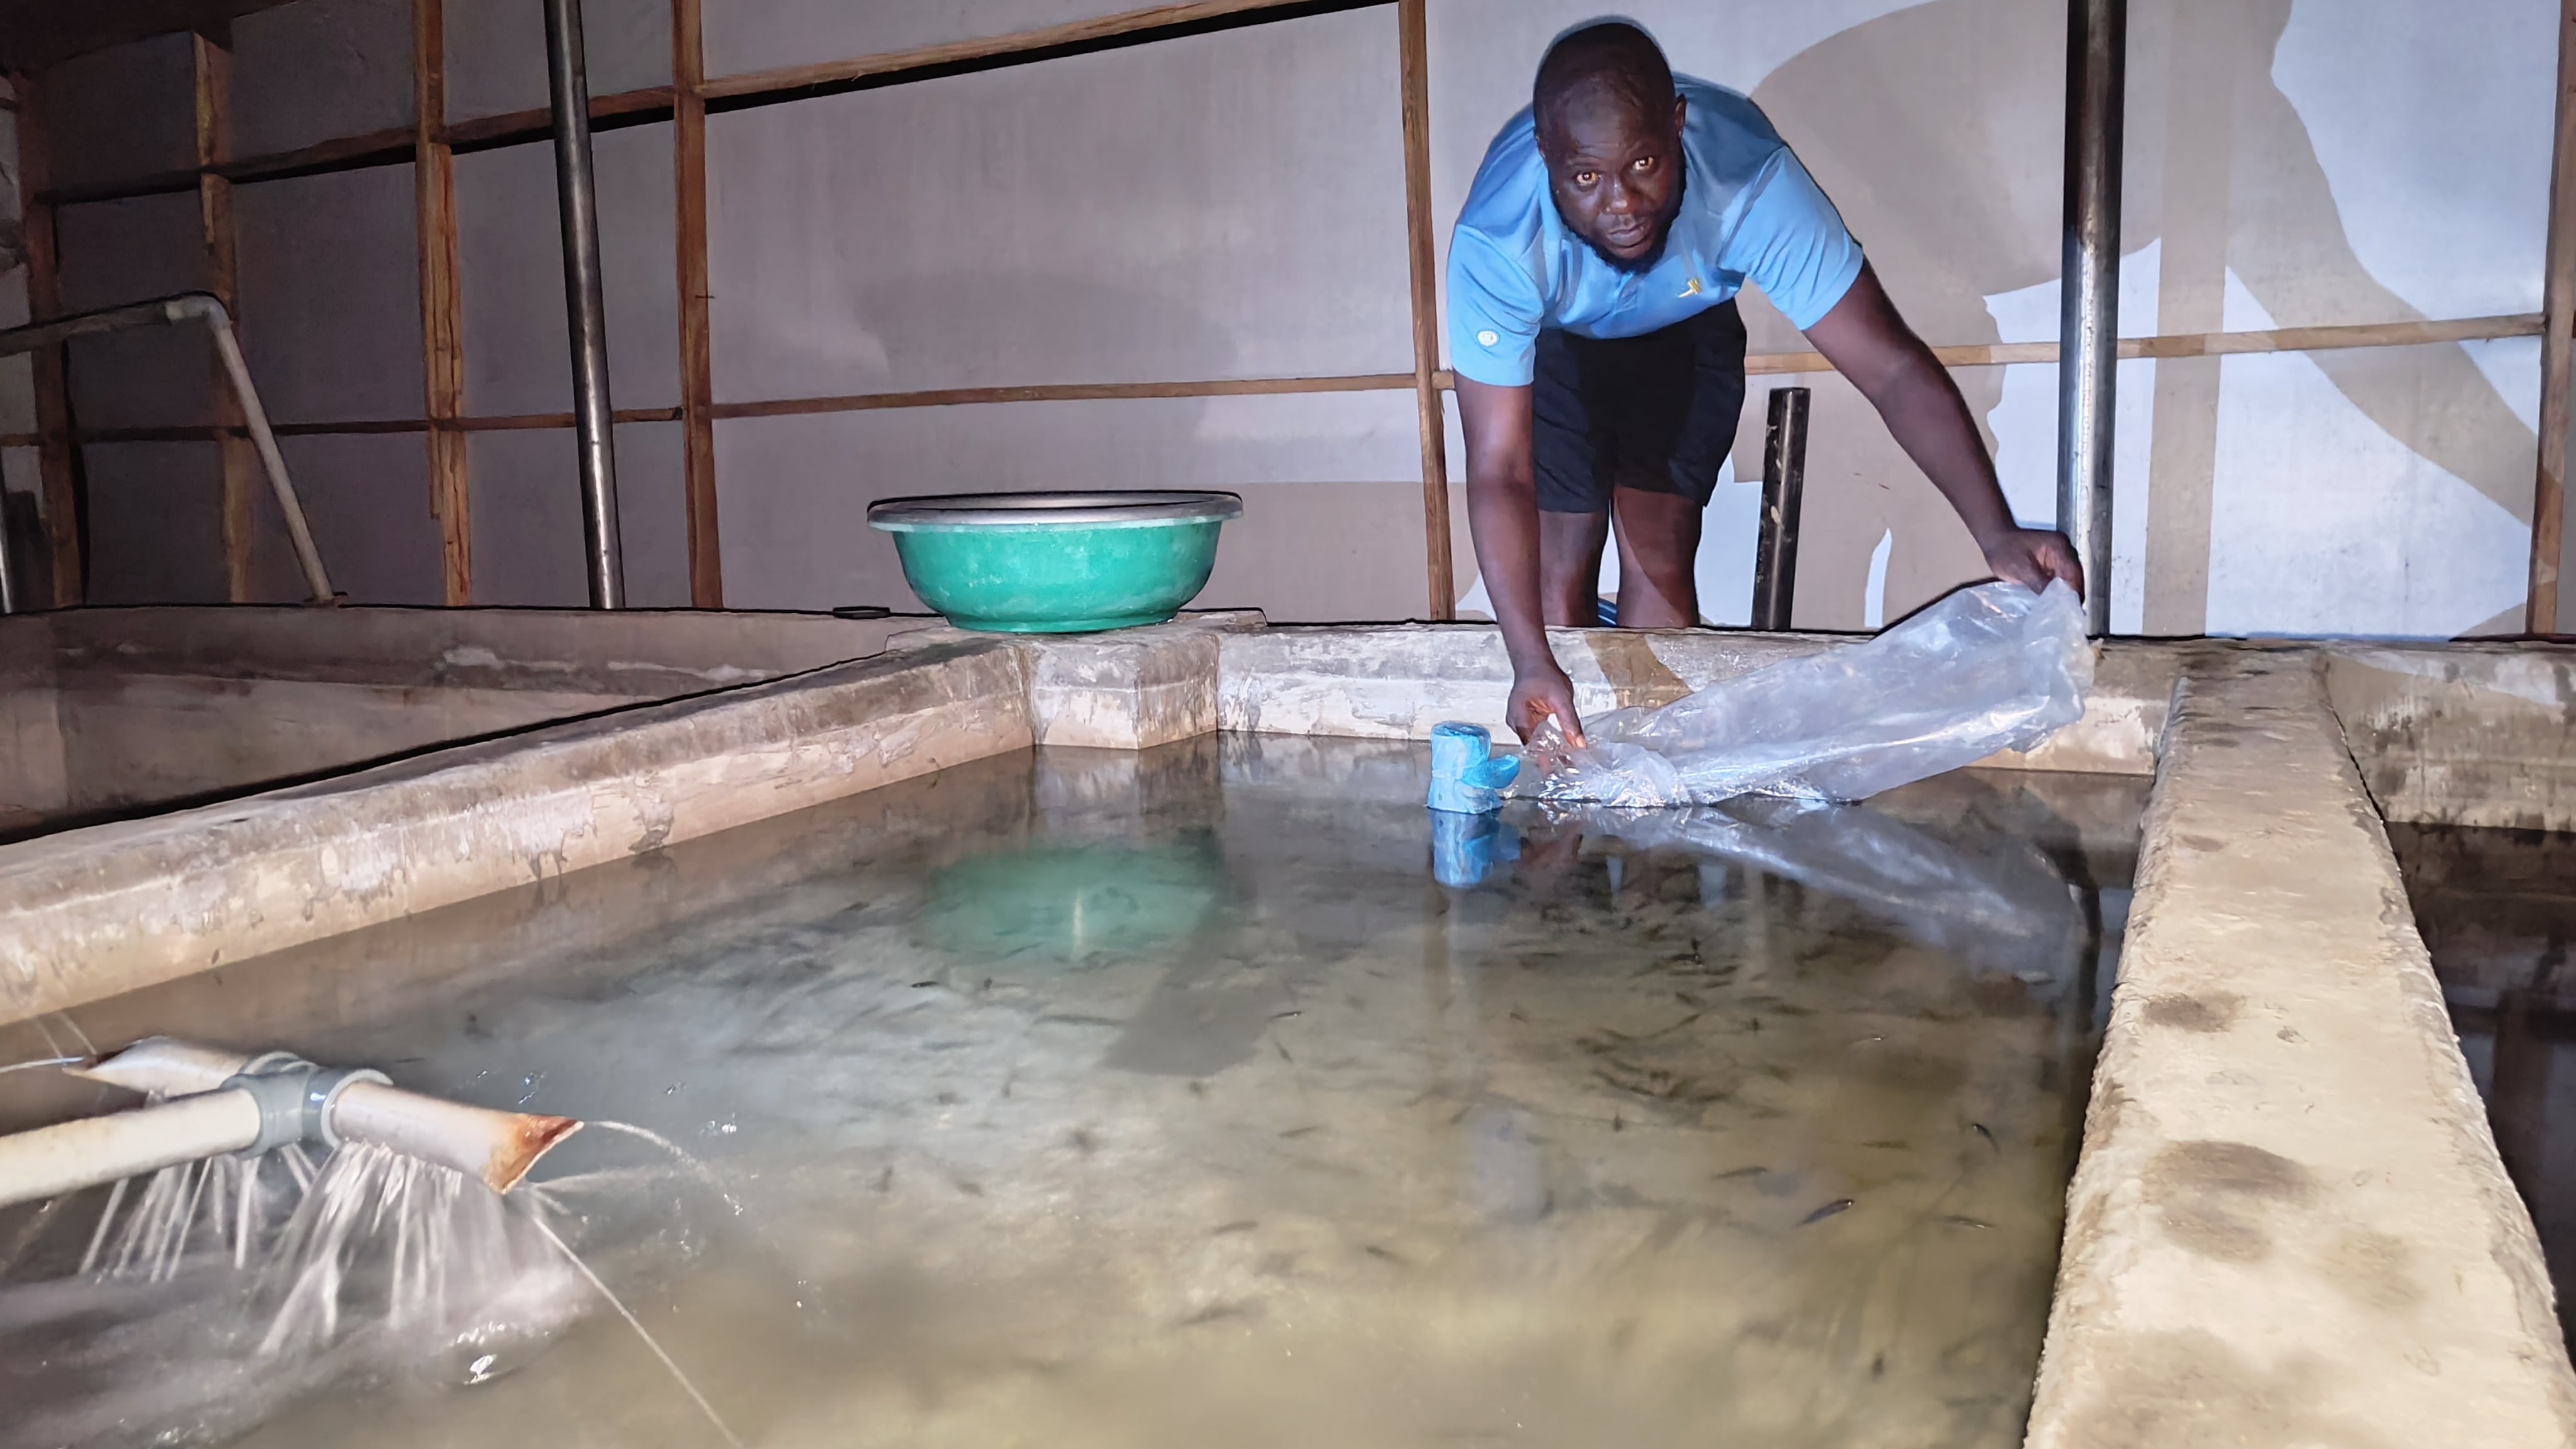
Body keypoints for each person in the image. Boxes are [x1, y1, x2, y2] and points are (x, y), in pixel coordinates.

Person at [1449, 20, 2083, 744]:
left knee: (1657, 558)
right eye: (1586, 178)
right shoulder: (1497, 239)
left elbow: (1890, 368)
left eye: (1645, 164)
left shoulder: (1750, 182)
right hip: (1560, 340)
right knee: (1558, 569)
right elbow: (1498, 470)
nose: (1620, 203)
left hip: (1686, 329)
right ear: (1545, 157)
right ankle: (1562, 779)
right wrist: (1528, 658)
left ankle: (1659, 807)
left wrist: (1994, 530)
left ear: (1679, 128)